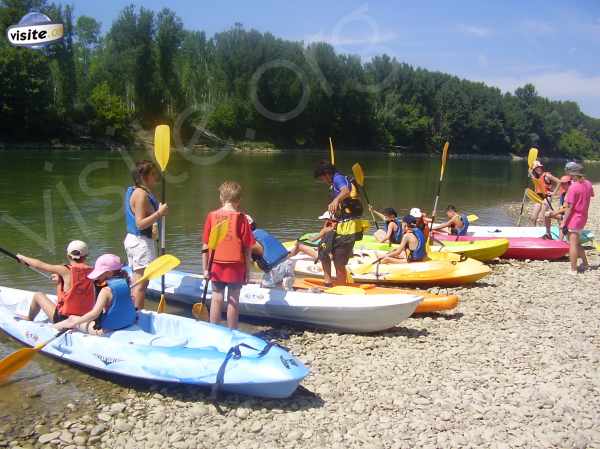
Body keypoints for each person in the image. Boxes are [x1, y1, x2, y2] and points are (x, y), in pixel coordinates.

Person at [202, 181, 254, 329]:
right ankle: (233, 333)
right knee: (233, 300)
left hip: (215, 264)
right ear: (239, 200)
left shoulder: (211, 216)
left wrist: (205, 269)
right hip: (236, 266)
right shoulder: (242, 218)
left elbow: (205, 246)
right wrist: (248, 271)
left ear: (221, 197)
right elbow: (247, 247)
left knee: (216, 297)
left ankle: (213, 330)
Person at [313, 161, 369, 286]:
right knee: (322, 249)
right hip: (339, 226)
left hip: (349, 228)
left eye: (322, 177)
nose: (323, 180)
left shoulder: (338, 178)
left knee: (339, 261)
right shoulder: (334, 183)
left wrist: (336, 200)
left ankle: (342, 288)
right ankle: (327, 282)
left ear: (327, 174)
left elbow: (346, 191)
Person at [54, 254, 137, 335]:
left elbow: (94, 314)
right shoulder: (126, 283)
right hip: (128, 322)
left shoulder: (106, 291)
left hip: (107, 329)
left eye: (100, 274)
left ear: (109, 273)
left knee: (72, 319)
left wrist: (75, 323)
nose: (97, 277)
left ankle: (51, 329)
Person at [124, 160, 168, 309]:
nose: (156, 178)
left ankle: (133, 311)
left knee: (137, 281)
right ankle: (138, 314)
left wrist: (156, 212)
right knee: (142, 284)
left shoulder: (133, 190)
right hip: (140, 242)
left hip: (135, 240)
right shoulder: (141, 194)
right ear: (143, 176)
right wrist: (159, 213)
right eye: (153, 174)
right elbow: (140, 223)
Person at [16, 241, 96, 324]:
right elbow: (78, 284)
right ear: (86, 256)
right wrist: (60, 279)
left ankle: (29, 318)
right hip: (85, 317)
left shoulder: (64, 270)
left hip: (64, 319)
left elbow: (39, 265)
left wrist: (22, 258)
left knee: (38, 295)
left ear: (68, 255)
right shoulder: (93, 271)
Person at [560, 163, 594, 273]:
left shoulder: (573, 187)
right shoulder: (588, 184)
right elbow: (592, 194)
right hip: (583, 217)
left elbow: (569, 207)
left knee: (573, 244)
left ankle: (573, 269)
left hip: (574, 219)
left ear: (572, 174)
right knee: (577, 242)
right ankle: (585, 263)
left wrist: (564, 222)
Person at [530, 161, 560, 225]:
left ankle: (545, 231)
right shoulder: (535, 177)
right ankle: (533, 231)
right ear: (534, 170)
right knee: (533, 218)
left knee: (541, 217)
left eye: (539, 167)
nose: (538, 169)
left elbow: (559, 182)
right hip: (538, 197)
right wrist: (530, 169)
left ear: (541, 167)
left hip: (547, 197)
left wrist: (554, 193)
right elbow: (530, 173)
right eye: (536, 168)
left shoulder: (547, 175)